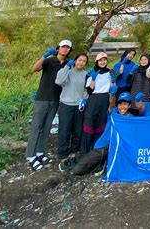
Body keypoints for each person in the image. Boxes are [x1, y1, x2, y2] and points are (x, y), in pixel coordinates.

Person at [25, 40, 71, 171]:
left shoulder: (68, 64)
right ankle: (30, 155)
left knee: (47, 127)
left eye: (68, 47)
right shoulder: (49, 61)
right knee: (37, 126)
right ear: (58, 49)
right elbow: (35, 69)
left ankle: (40, 152)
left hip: (56, 99)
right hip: (42, 98)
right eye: (63, 47)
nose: (65, 49)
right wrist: (44, 56)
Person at [72, 92, 138, 175]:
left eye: (125, 104)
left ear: (129, 106)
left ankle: (103, 163)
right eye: (120, 104)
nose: (122, 107)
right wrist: (113, 94)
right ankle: (81, 160)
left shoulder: (132, 119)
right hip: (102, 147)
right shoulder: (113, 113)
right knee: (78, 170)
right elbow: (111, 106)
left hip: (118, 149)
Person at [55, 53, 88, 172]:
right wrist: (66, 67)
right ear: (75, 61)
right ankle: (63, 157)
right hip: (66, 105)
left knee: (77, 130)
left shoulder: (85, 74)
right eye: (79, 60)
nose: (81, 63)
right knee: (64, 130)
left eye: (84, 61)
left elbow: (87, 89)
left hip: (78, 106)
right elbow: (58, 81)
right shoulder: (68, 72)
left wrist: (84, 98)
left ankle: (73, 154)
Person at [80, 52, 112, 156]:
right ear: (97, 61)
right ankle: (84, 152)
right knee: (89, 124)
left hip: (105, 98)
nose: (103, 62)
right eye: (100, 60)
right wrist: (93, 78)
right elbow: (89, 90)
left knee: (101, 123)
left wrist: (114, 85)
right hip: (94, 98)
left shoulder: (111, 72)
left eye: (104, 60)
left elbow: (112, 87)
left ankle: (97, 150)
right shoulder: (91, 72)